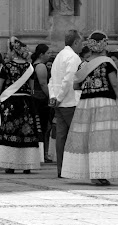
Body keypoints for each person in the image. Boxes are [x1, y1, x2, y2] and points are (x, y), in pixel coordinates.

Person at [61, 31, 118, 185]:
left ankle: (93, 174)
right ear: (104, 45)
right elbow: (114, 84)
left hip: (86, 104)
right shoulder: (107, 63)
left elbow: (75, 85)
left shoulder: (84, 64)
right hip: (105, 103)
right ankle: (101, 173)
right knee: (103, 139)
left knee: (87, 138)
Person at [0, 36, 41, 174]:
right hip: (26, 103)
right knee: (26, 132)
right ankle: (27, 164)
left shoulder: (7, 67)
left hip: (10, 102)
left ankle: (9, 164)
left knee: (10, 132)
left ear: (13, 52)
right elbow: (31, 88)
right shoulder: (29, 67)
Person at [48, 29, 83, 178]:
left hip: (59, 102)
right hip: (69, 102)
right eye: (81, 42)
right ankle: (73, 168)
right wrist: (60, 97)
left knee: (61, 137)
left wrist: (53, 97)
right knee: (75, 136)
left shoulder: (59, 56)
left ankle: (61, 169)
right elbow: (69, 80)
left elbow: (52, 80)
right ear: (75, 42)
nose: (82, 46)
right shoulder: (73, 57)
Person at [31, 44, 52, 163]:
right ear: (41, 54)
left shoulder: (33, 65)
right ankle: (42, 154)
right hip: (40, 99)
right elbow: (44, 84)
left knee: (38, 126)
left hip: (34, 98)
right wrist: (50, 96)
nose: (50, 55)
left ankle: (40, 153)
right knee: (43, 126)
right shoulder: (41, 66)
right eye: (48, 53)